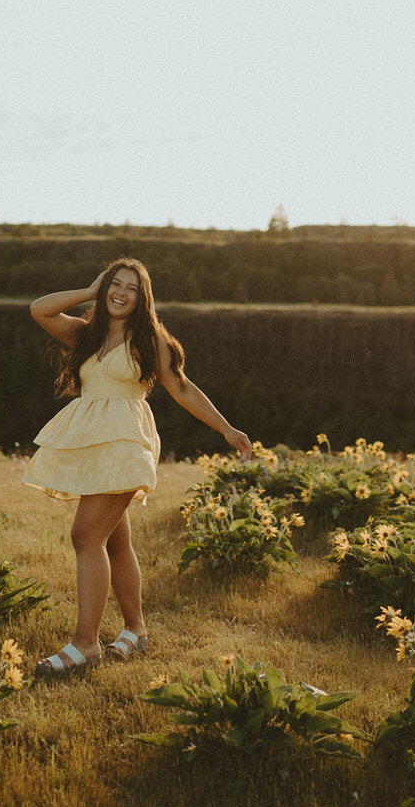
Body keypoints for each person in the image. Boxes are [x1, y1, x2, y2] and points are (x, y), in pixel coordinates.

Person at [23, 257, 252, 675]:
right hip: (93, 443)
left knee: (85, 536)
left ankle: (85, 644)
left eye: (131, 287)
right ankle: (136, 630)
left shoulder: (150, 340)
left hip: (127, 443)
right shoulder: (86, 334)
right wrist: (90, 291)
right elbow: (40, 309)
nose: (121, 293)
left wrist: (226, 429)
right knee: (113, 541)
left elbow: (182, 388)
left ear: (142, 296)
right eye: (115, 284)